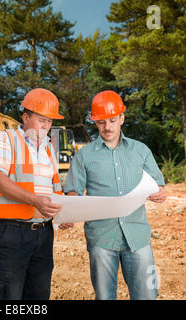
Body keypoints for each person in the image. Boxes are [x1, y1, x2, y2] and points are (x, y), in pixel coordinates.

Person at [64, 90, 167, 300]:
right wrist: (69, 211)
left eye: (112, 120)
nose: (107, 127)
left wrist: (159, 193)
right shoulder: (84, 155)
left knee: (147, 295)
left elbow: (159, 187)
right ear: (95, 122)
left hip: (137, 237)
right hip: (102, 238)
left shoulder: (141, 150)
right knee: (104, 297)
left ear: (122, 118)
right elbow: (73, 191)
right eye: (101, 122)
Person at [0, 88, 64, 300]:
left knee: (39, 295)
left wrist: (63, 215)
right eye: (41, 120)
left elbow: (55, 188)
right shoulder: (6, 140)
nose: (46, 126)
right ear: (26, 117)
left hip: (44, 233)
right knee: (9, 295)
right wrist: (34, 200)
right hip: (14, 231)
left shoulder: (49, 148)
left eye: (49, 121)